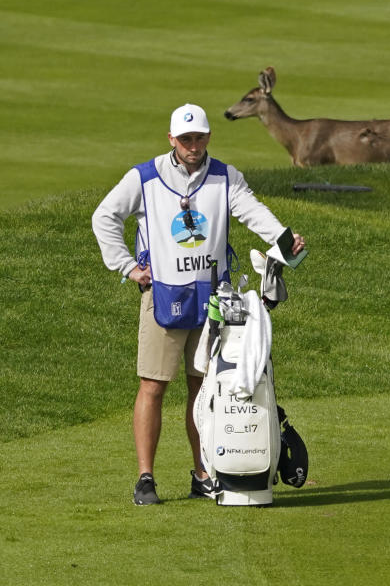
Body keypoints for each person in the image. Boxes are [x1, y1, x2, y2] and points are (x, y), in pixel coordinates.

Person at [92, 103, 306, 505]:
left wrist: (283, 237)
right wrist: (127, 267)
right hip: (164, 296)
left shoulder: (225, 177)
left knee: (205, 388)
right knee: (153, 386)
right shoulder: (145, 177)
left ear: (208, 137)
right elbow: (104, 217)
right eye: (185, 138)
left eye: (199, 137)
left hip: (213, 301)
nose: (193, 145)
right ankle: (145, 478)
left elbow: (251, 212)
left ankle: (204, 473)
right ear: (171, 139)